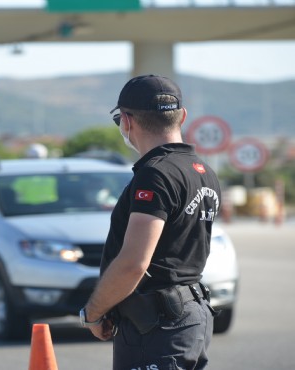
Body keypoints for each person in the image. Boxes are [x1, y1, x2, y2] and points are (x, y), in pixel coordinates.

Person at [79, 75, 221, 369]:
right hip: (190, 316)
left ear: (127, 122)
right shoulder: (202, 171)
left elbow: (134, 262)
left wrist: (93, 312)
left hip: (158, 327)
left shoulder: (155, 174)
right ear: (182, 116)